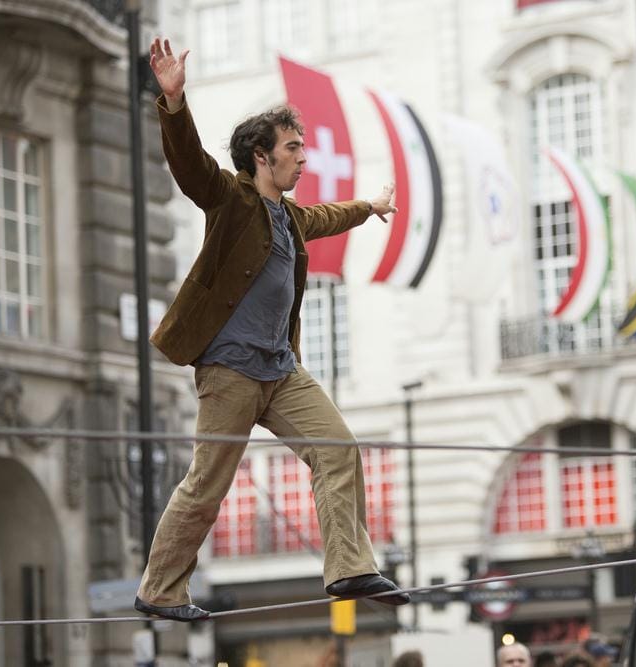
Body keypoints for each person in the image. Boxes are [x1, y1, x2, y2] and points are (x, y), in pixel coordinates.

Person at [133, 38, 407, 622]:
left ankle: (349, 568)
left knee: (339, 450)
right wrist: (174, 102)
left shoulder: (290, 217)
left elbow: (332, 215)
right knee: (207, 486)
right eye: (292, 149)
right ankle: (159, 590)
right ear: (262, 156)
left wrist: (372, 205)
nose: (303, 159)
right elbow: (190, 166)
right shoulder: (230, 198)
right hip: (230, 370)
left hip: (280, 371)